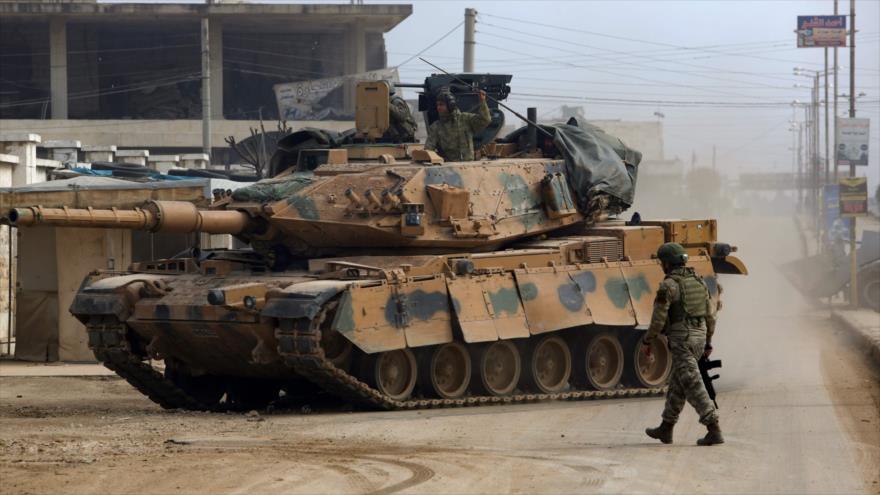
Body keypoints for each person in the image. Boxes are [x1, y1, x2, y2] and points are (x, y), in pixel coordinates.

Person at [643, 242, 723, 446]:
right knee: (678, 384)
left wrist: (648, 339)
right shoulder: (699, 282)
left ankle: (714, 428)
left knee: (693, 384)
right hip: (699, 337)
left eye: (662, 263)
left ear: (667, 264)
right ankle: (666, 428)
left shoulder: (669, 285)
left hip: (682, 339)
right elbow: (710, 315)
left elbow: (659, 317)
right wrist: (707, 342)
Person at [424, 88, 491, 161]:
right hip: (448, 167)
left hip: (468, 164)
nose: (438, 107)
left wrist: (482, 101)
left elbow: (485, 120)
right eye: (437, 105)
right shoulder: (436, 126)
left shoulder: (465, 119)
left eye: (441, 105)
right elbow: (428, 149)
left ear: (451, 105)